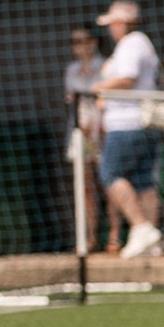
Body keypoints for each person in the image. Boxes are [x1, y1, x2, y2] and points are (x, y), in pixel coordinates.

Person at [92, 0, 164, 257]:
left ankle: (141, 226)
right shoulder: (137, 44)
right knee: (144, 181)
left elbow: (127, 78)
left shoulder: (132, 43)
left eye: (112, 23)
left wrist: (97, 88)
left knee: (110, 174)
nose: (110, 29)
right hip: (139, 122)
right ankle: (149, 241)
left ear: (122, 23)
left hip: (128, 123)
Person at [63, 27, 106, 253]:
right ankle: (89, 238)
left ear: (95, 41)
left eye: (83, 40)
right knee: (85, 186)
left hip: (102, 129)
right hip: (79, 130)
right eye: (74, 41)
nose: (79, 45)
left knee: (107, 182)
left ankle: (115, 236)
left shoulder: (106, 65)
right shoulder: (71, 70)